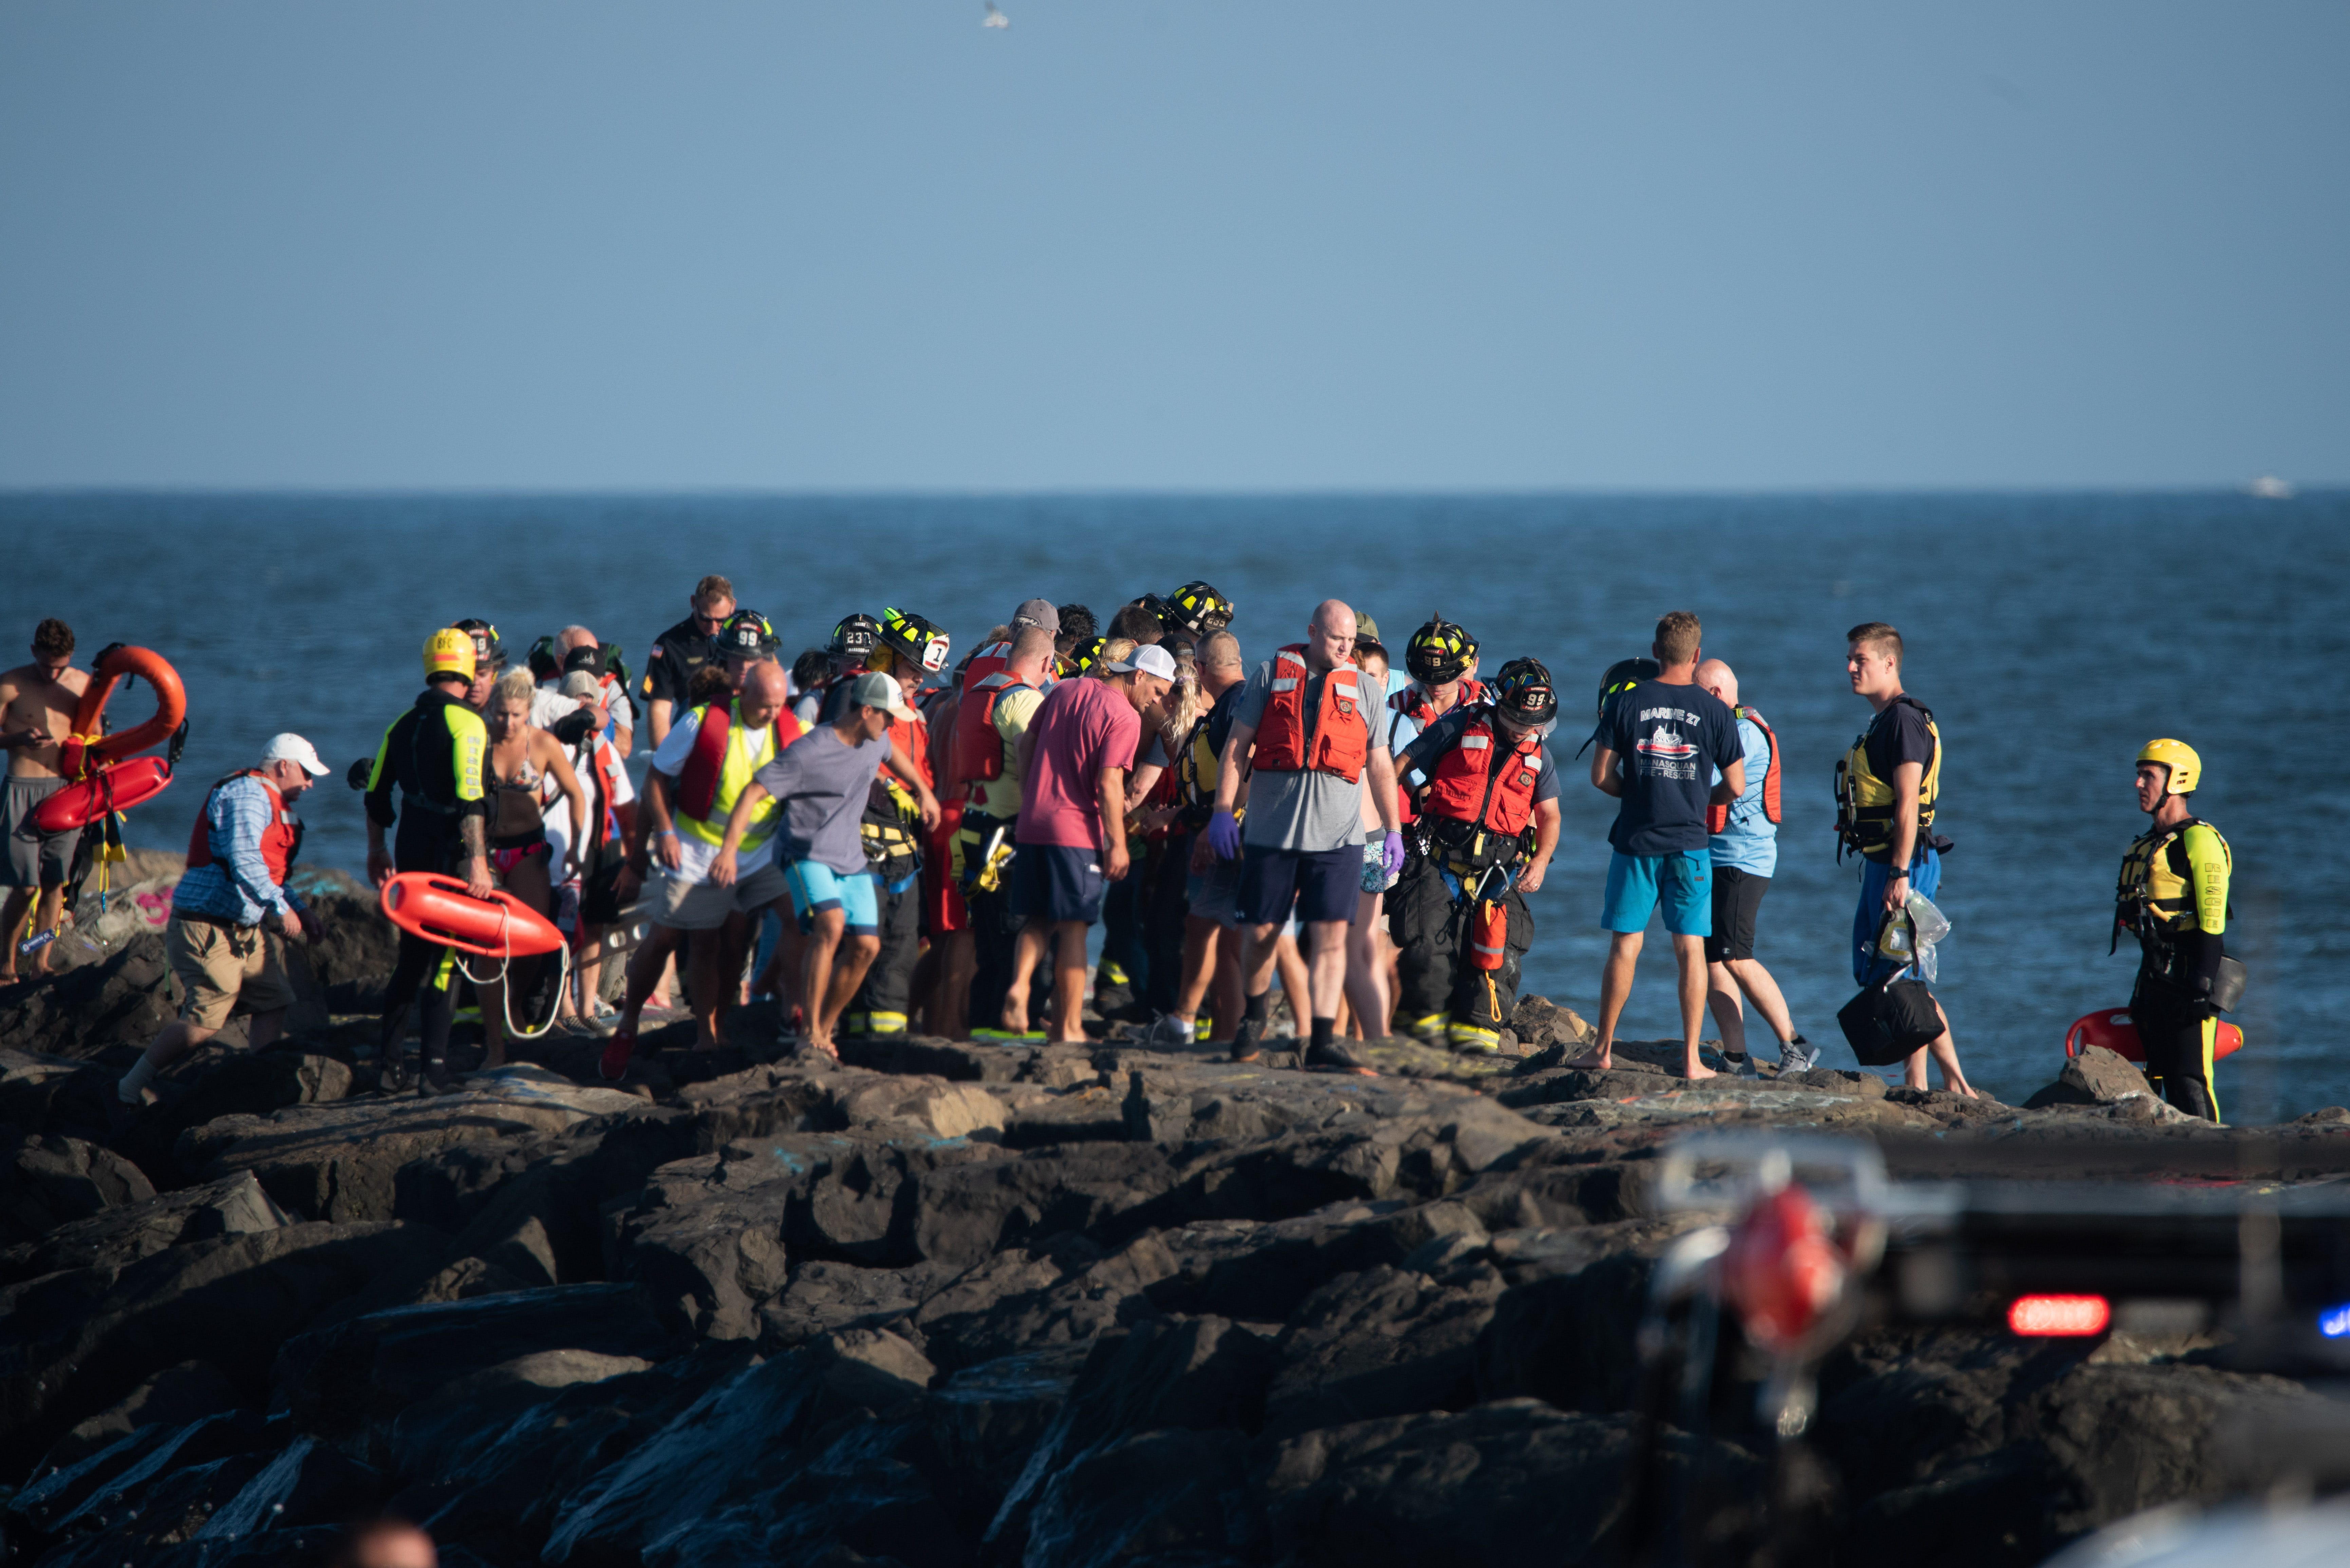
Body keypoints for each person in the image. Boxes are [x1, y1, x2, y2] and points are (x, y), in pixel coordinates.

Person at [1205, 601, 1405, 1074]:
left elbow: (1379, 764)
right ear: (1313, 632)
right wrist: (1221, 813)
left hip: (1340, 839)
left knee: (1331, 939)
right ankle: (1254, 1016)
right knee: (1261, 933)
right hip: (1272, 833)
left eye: (1351, 640)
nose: (1344, 647)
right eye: (1337, 637)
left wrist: (1394, 830)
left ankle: (1321, 1038)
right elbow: (1237, 747)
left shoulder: (1364, 689)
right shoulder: (1268, 674)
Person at [711, 671, 939, 1059]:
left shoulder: (875, 737)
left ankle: (823, 1026)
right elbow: (754, 791)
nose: (891, 724)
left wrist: (923, 790)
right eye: (886, 716)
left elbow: (891, 753)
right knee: (830, 925)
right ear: (866, 710)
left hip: (850, 858)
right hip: (805, 853)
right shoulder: (811, 751)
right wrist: (728, 850)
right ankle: (807, 1031)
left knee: (866, 945)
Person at [601, 662, 804, 1077]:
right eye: (766, 705)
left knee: (789, 922)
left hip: (759, 853)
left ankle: (744, 1018)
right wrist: (668, 833)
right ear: (743, 692)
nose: (772, 713)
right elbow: (655, 779)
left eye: (779, 705)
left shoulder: (788, 726)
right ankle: (630, 1023)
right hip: (697, 851)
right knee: (669, 939)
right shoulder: (702, 721)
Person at [1569, 611, 1744, 1080]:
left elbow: (1600, 776)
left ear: (1654, 651)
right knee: (1690, 950)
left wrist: (1640, 791)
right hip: (1690, 844)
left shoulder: (1629, 701)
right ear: (1697, 656)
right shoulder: (1715, 711)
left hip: (1635, 842)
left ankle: (1603, 1049)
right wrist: (1699, 798)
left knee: (1625, 945)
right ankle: (1691, 1060)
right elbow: (1738, 784)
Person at [115, 734, 332, 1105]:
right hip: (205, 926)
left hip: (244, 930)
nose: (310, 784)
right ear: (284, 766)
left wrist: (302, 909)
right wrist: (280, 908)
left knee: (273, 1000)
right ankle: (131, 1086)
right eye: (307, 774)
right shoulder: (247, 795)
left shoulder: (272, 801)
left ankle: (256, 1088)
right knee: (205, 1019)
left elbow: (273, 873)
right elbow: (245, 860)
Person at [1000, 645, 1174, 1043]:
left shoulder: (1065, 690)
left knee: (1038, 919)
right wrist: (1117, 843)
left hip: (1034, 823)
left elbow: (1026, 742)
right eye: (1159, 691)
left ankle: (1019, 987)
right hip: (1075, 833)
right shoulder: (1124, 716)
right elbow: (1109, 783)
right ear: (1139, 676)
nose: (1159, 701)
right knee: (1075, 929)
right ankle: (1070, 1027)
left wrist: (1032, 795)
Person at [1390, 658, 1562, 1053]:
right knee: (1426, 950)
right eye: (1517, 718)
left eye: (1532, 722)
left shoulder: (1540, 757)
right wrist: (1410, 798)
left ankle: (1478, 1051)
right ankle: (1423, 1043)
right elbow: (1400, 765)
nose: (1524, 729)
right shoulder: (1457, 726)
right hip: (1439, 861)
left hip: (1498, 876)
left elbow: (1550, 815)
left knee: (1495, 963)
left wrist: (1539, 862)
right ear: (1499, 702)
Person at [1836, 621, 1973, 1096]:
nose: (1851, 667)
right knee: (1894, 973)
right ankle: (1948, 1081)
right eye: (1850, 659)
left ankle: (1931, 1082)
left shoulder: (1903, 721)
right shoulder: (1885, 719)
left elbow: (1908, 803)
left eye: (1861, 660)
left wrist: (1898, 872)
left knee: (1900, 975)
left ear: (1890, 662)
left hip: (1906, 863)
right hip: (1887, 862)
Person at [365, 629, 493, 1094]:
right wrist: (478, 863)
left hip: (409, 851)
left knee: (410, 960)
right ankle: (433, 1072)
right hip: (448, 855)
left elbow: (377, 794)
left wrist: (376, 850)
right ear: (466, 669)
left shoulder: (402, 722)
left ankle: (389, 1067)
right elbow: (471, 800)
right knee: (445, 961)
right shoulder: (468, 724)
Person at [822, 607, 950, 1036]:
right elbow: (837, 755)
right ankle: (839, 1032)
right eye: (914, 668)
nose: (921, 679)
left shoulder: (911, 708)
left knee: (900, 948)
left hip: (902, 848)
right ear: (891, 657)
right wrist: (889, 786)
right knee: (861, 943)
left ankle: (885, 1041)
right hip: (861, 846)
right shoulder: (853, 694)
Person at [1694, 658, 1814, 1075]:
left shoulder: (1743, 732)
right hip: (1720, 857)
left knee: (1737, 956)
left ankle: (1795, 1046)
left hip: (1742, 861)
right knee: (1714, 959)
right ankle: (1735, 1056)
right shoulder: (1727, 726)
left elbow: (1701, 782)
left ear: (1713, 696)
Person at [2116, 739, 2231, 1120]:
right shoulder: (2150, 843)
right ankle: (2168, 1169)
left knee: (2190, 1079)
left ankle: (2215, 1163)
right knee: (2155, 1077)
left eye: (2148, 775)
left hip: (2190, 982)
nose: (2138, 783)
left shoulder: (2199, 840)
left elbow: (2212, 926)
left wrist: (2201, 988)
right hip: (2154, 979)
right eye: (2139, 774)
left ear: (2177, 780)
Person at [478, 668, 589, 1064]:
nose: (508, 723)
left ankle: (514, 1006)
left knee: (530, 942)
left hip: (528, 850)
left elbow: (577, 795)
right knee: (488, 948)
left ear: (529, 713)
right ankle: (495, 1045)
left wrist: (576, 846)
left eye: (516, 715)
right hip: (487, 853)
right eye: (502, 714)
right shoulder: (480, 742)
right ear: (491, 708)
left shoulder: (542, 744)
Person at [956, 623, 1056, 1038]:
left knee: (989, 941)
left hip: (974, 829)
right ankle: (1018, 1028)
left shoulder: (980, 691)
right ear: (1048, 663)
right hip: (1008, 836)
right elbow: (1030, 767)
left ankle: (983, 1028)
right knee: (1020, 933)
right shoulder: (1026, 700)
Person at [0, 619, 90, 984]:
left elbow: (96, 737)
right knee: (25, 886)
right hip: (21, 788)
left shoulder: (83, 685)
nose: (53, 673)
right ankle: (6, 963)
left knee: (56, 884)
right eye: (46, 664)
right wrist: (17, 737)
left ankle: (40, 961)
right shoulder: (10, 684)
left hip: (64, 793)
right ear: (34, 651)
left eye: (61, 665)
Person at [640, 575, 737, 747]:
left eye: (721, 620)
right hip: (692, 736)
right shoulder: (669, 645)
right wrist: (663, 758)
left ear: (733, 607)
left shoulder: (746, 640)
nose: (713, 627)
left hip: (738, 731)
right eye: (706, 619)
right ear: (693, 603)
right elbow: (660, 710)